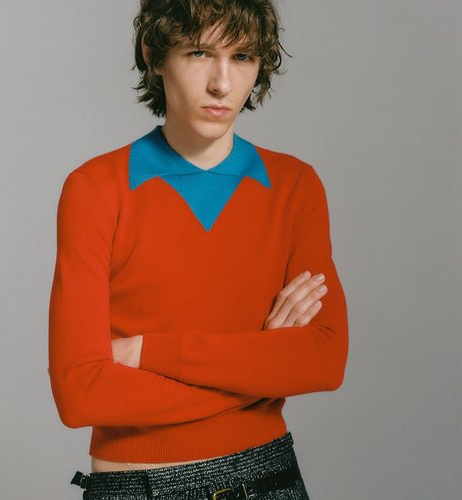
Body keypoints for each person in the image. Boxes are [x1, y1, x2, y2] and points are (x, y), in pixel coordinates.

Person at [48, 0, 349, 498]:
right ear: (155, 55)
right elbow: (80, 393)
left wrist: (149, 352)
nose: (222, 84)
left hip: (270, 480)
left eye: (243, 57)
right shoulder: (96, 189)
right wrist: (260, 375)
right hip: (139, 488)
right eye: (199, 53)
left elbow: (324, 359)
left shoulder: (295, 185)